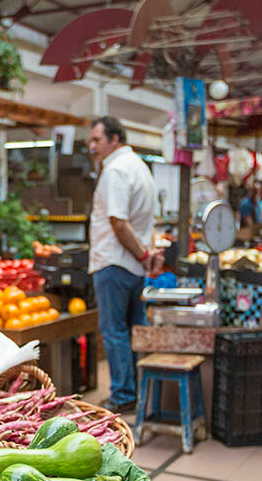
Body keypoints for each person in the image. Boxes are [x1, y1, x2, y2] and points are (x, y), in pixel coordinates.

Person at [86, 115, 160, 413]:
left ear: (115, 139)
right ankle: (138, 389)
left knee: (115, 331)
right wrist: (145, 254)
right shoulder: (140, 166)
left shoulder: (115, 170)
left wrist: (143, 254)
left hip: (114, 263)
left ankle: (123, 395)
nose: (92, 147)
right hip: (133, 267)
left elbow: (118, 221)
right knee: (135, 329)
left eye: (97, 140)